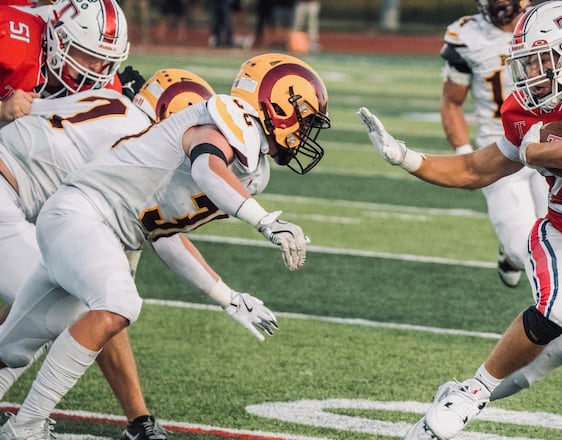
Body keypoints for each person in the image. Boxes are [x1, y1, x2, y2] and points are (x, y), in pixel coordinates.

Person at [357, 1, 562, 438]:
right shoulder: (527, 114)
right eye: (527, 62)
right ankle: (468, 398)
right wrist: (406, 157)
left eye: (543, 60)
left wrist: (533, 150)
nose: (531, 74)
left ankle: (462, 390)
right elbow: (475, 170)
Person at [0, 53, 330, 439]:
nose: (307, 130)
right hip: (82, 214)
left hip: (88, 223)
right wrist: (265, 221)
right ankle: (26, 427)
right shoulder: (227, 117)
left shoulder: (252, 170)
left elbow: (164, 235)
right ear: (277, 103)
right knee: (118, 303)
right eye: (305, 117)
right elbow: (207, 165)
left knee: (16, 344)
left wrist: (229, 298)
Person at [0, 68, 215, 440]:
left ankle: (32, 424)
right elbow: (160, 240)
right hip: (7, 197)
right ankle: (27, 427)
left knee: (54, 297)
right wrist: (222, 293)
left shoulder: (112, 103)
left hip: (12, 195)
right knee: (66, 300)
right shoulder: (135, 146)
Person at [439, 0, 543, 289]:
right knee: (525, 252)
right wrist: (466, 157)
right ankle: (511, 255)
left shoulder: (547, 23)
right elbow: (452, 102)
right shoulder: (467, 35)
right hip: (498, 150)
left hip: (549, 144)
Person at [0, 0, 132, 124]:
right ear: (59, 38)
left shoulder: (107, 87)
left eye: (105, 58)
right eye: (90, 55)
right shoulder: (9, 40)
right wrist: (2, 109)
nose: (97, 67)